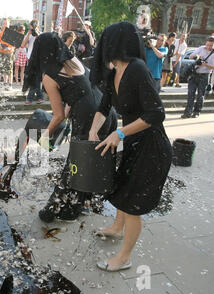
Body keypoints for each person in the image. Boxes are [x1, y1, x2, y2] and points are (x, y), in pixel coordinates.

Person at [89, 21, 172, 272]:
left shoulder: (137, 69)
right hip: (135, 143)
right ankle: (116, 228)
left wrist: (120, 132)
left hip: (152, 147)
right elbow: (104, 107)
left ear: (114, 44)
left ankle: (124, 258)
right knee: (121, 189)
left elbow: (156, 113)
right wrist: (94, 130)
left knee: (132, 204)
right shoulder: (116, 72)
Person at [23, 32, 117, 222]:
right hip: (106, 112)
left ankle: (55, 209)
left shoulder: (50, 76)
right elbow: (76, 93)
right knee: (89, 162)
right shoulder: (74, 60)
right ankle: (80, 205)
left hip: (89, 119)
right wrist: (65, 116)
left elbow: (57, 116)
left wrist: (44, 136)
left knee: (74, 165)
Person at [181, 36, 214, 119]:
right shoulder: (201, 48)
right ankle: (187, 112)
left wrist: (205, 64)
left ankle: (196, 112)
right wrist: (197, 57)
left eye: (211, 45)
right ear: (205, 43)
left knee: (200, 95)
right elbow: (190, 56)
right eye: (208, 45)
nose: (209, 47)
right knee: (190, 94)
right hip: (194, 74)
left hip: (204, 75)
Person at [22, 19, 43, 105]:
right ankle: (40, 96)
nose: (33, 28)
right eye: (32, 27)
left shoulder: (41, 34)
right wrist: (29, 34)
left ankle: (30, 98)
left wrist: (37, 35)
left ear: (37, 27)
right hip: (30, 59)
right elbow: (23, 45)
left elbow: (42, 45)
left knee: (36, 78)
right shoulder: (28, 34)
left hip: (39, 59)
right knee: (33, 78)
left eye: (34, 27)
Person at [0, 18, 15, 90]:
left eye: (6, 23)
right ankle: (5, 83)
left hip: (9, 53)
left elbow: (14, 44)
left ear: (9, 24)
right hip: (2, 52)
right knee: (3, 69)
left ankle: (10, 85)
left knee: (9, 69)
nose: (5, 25)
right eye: (4, 23)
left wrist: (9, 48)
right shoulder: (0, 33)